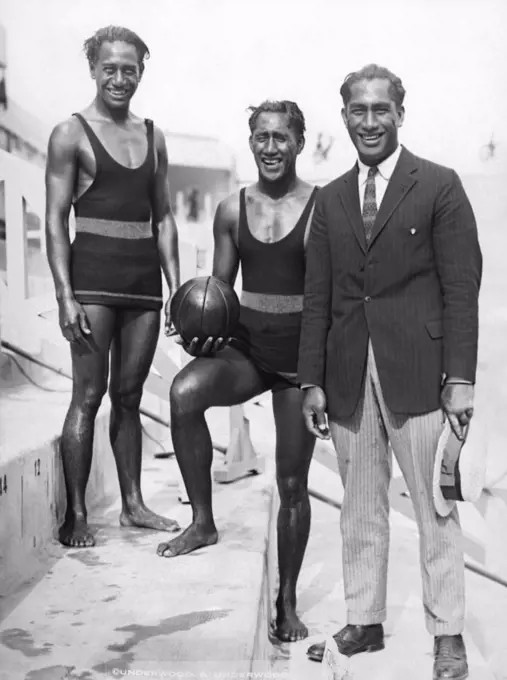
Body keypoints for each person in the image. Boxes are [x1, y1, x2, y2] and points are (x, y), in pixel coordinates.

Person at [298, 64, 482, 680]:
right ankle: (366, 618)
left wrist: (459, 377)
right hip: (348, 376)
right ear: (344, 116)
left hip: (421, 376)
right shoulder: (328, 200)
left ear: (400, 114)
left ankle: (448, 633)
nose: (370, 121)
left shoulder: (439, 185)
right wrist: (311, 380)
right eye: (358, 110)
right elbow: (317, 297)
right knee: (359, 506)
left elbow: (461, 289)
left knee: (436, 508)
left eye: (382, 110)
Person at [157, 100, 318, 643]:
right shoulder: (232, 209)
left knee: (292, 482)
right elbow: (219, 295)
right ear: (250, 142)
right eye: (261, 137)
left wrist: (319, 373)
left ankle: (287, 603)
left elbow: (328, 297)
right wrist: (196, 326)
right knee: (184, 392)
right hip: (249, 348)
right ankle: (202, 521)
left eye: (281, 137)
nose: (270, 147)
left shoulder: (321, 208)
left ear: (298, 142)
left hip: (299, 357)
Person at [45, 26, 181, 549]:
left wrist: (174, 287)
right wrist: (65, 294)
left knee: (129, 396)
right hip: (93, 279)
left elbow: (164, 217)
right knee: (88, 394)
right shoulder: (71, 134)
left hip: (143, 283)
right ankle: (76, 514)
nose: (119, 77)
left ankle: (133, 505)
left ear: (141, 72)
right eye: (110, 68)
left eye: (130, 68)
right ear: (93, 69)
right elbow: (57, 220)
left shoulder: (153, 135)